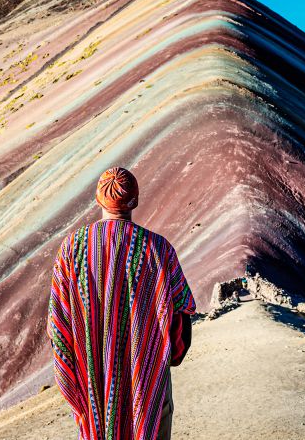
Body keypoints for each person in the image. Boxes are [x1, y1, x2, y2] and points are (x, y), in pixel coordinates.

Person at [47, 166, 196, 440]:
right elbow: (181, 314)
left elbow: (59, 325)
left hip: (94, 384)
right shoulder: (158, 249)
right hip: (149, 382)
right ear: (135, 201)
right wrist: (168, 357)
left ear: (98, 200)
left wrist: (76, 375)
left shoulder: (72, 249)